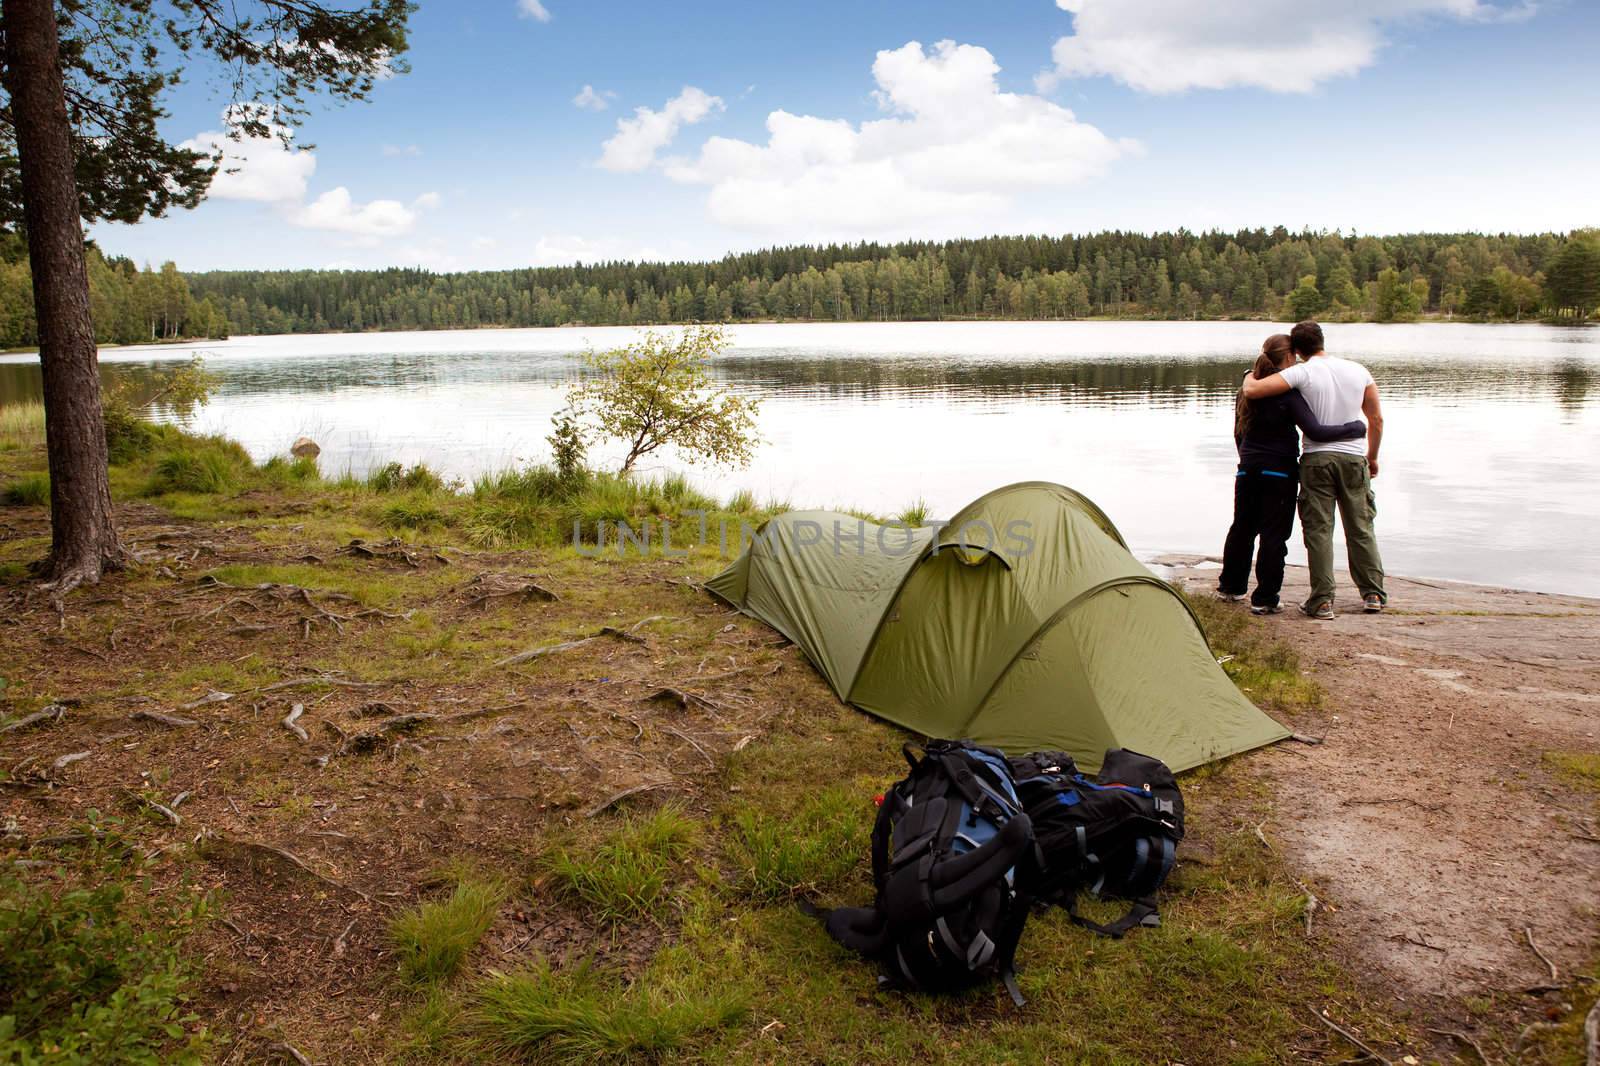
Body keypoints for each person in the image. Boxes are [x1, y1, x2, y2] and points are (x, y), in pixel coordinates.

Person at [1241, 320, 1386, 618]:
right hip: (1353, 458)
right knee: (1361, 527)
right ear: (1322, 340)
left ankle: (1321, 600)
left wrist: (1246, 377)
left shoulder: (1299, 373)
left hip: (1317, 460)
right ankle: (1372, 593)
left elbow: (1253, 391)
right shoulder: (1359, 371)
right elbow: (1376, 420)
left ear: (1297, 349)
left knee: (1319, 530)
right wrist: (1372, 457)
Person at [1218, 334, 1365, 614]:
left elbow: (1238, 432)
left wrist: (1246, 459)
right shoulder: (1288, 393)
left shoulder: (1246, 389)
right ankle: (1265, 599)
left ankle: (1231, 588)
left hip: (1247, 468)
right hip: (1280, 472)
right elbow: (1316, 431)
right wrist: (1354, 428)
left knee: (1242, 528)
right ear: (1288, 358)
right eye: (1295, 356)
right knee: (1274, 535)